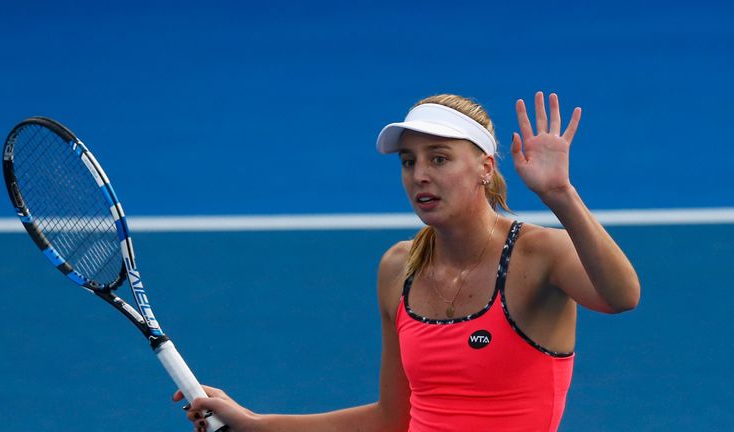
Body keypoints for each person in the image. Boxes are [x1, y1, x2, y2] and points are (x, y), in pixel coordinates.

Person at [174, 91, 641, 431]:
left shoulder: (539, 253)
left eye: (439, 159)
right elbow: (392, 419)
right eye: (408, 161)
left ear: (485, 167)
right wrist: (254, 423)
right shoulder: (399, 267)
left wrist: (561, 195)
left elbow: (621, 296)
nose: (420, 175)